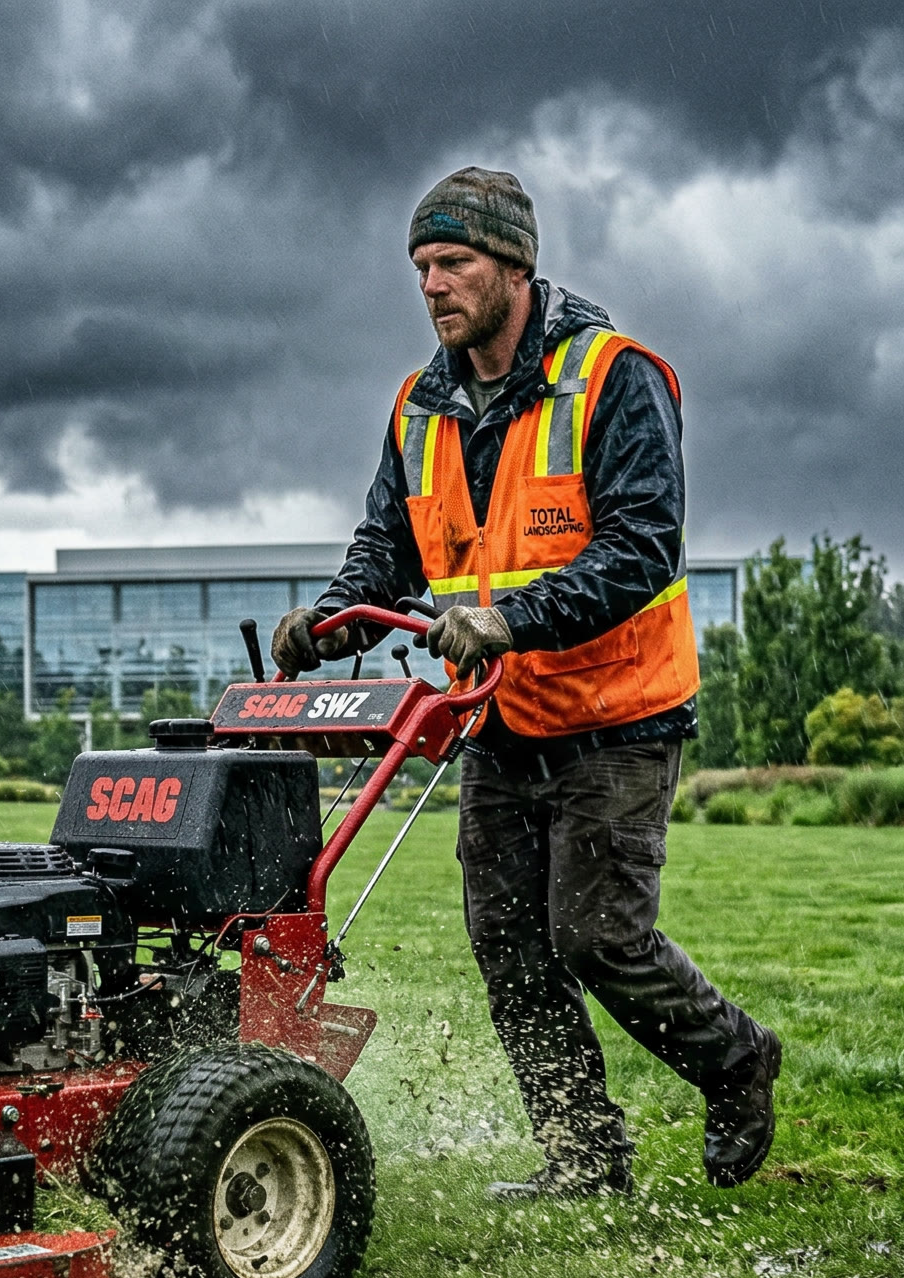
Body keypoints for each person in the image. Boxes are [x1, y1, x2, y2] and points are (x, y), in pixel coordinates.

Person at [274, 167, 780, 1197]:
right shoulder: (421, 405)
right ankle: (583, 1155)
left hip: (619, 714)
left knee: (596, 936)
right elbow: (391, 545)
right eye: (421, 267)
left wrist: (508, 621)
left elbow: (643, 548)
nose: (432, 285)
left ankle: (735, 1060)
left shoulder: (614, 377)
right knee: (506, 943)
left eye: (453, 262)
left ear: (515, 264)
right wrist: (327, 623)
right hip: (504, 721)